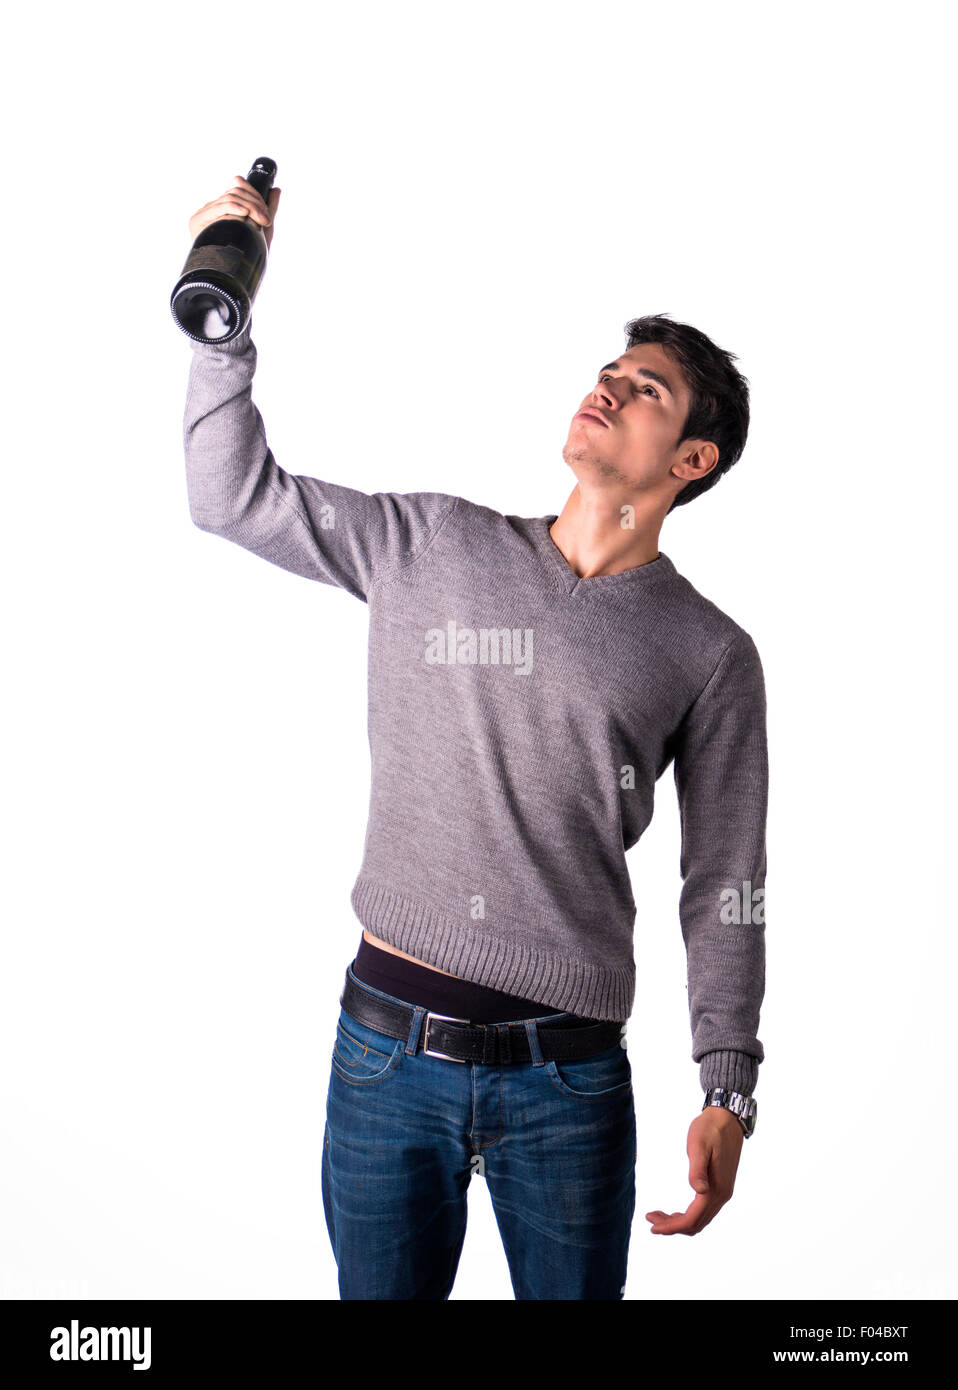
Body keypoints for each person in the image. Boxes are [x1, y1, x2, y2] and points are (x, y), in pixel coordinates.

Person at [180, 174, 769, 1300]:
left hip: (570, 1085)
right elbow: (227, 494)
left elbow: (726, 882)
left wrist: (725, 1084)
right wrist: (224, 322)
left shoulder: (709, 652)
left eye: (643, 390)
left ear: (690, 460)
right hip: (382, 1060)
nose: (606, 388)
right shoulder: (430, 543)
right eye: (607, 372)